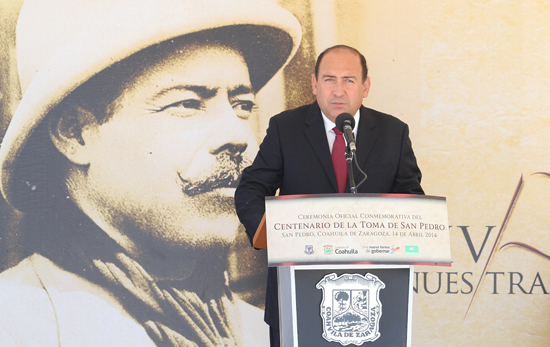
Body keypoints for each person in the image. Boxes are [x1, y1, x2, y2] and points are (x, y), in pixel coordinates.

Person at [0, 0, 301, 346]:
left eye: (242, 106)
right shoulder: (16, 326)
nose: (238, 137)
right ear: (76, 133)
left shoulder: (263, 332)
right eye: (187, 103)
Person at [235, 44, 424, 346]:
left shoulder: (393, 132)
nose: (338, 90)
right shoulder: (286, 128)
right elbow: (252, 188)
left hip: (372, 299)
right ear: (314, 84)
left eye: (349, 80)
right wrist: (270, 231)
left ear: (366, 86)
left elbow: (411, 200)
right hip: (296, 288)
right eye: (329, 79)